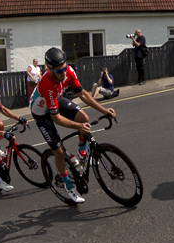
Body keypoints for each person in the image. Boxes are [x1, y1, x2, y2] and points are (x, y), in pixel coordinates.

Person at [30, 47, 116, 205]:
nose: (63, 73)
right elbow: (55, 118)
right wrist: (78, 126)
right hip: (42, 112)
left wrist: (104, 110)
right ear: (49, 70)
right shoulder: (47, 84)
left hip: (56, 100)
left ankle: (81, 152)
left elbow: (83, 94)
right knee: (59, 152)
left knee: (84, 117)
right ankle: (69, 186)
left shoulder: (68, 71)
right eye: (58, 71)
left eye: (64, 67)